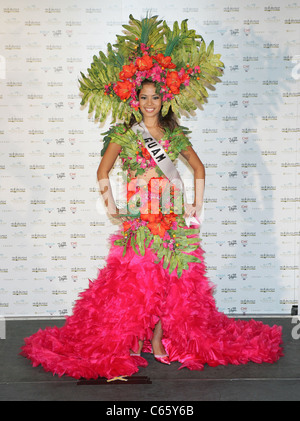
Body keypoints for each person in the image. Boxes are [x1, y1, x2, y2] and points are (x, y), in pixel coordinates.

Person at [21, 15, 283, 381]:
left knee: (171, 283)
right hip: (139, 220)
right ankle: (129, 339)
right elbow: (102, 172)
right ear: (135, 100)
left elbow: (199, 168)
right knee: (134, 284)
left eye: (155, 96)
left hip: (172, 221)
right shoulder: (125, 135)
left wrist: (195, 204)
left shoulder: (175, 137)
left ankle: (158, 341)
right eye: (142, 97)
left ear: (165, 98)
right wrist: (111, 206)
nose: (149, 103)